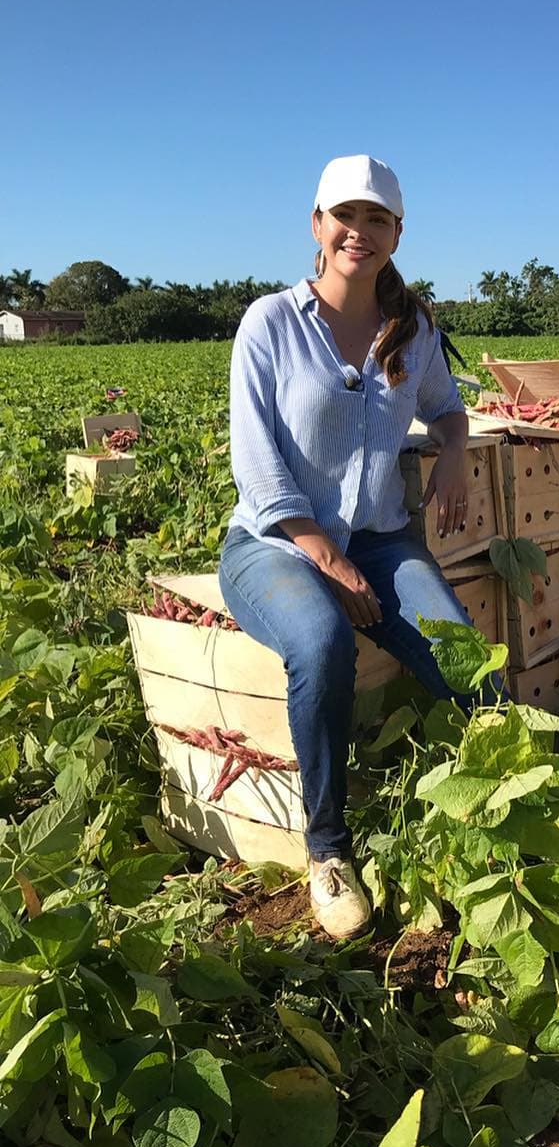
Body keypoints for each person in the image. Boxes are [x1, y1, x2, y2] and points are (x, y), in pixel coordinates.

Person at [219, 154, 475, 939]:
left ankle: (519, 826)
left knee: (465, 656)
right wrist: (327, 560)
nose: (358, 231)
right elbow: (256, 465)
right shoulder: (271, 323)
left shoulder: (413, 330)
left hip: (380, 540)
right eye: (345, 215)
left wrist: (455, 450)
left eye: (376, 219)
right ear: (317, 225)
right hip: (273, 543)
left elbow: (447, 406)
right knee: (323, 641)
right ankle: (327, 848)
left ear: (397, 234)